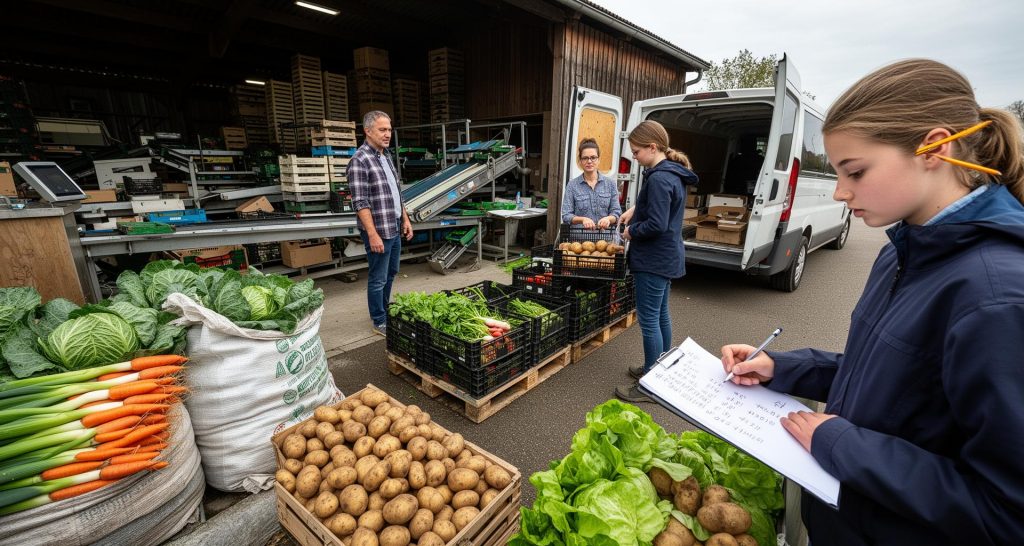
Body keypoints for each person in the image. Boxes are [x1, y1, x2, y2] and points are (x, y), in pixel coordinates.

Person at [720, 59, 1024, 545]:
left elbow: (1005, 513)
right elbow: (889, 376)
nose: (841, 193)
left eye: (856, 172)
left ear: (935, 148)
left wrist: (843, 446)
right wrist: (785, 368)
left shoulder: (997, 297)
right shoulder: (902, 250)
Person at [615, 120, 698, 403]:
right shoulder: (670, 173)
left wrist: (631, 231)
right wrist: (635, 209)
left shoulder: (660, 178)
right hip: (666, 257)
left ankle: (651, 384)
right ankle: (661, 370)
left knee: (649, 320)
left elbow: (657, 224)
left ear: (653, 147)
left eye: (636, 152)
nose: (635, 158)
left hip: (653, 259)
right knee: (661, 314)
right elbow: (661, 206)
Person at [348, 110, 413, 336]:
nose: (387, 134)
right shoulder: (360, 160)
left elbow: (396, 192)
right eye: (382, 130)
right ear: (368, 131)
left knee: (392, 271)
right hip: (379, 230)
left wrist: (405, 219)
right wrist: (372, 234)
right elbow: (360, 203)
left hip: (393, 225)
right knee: (378, 278)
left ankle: (384, 310)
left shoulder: (385, 157)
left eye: (389, 130)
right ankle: (379, 320)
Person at [560, 138, 622, 229]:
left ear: (598, 160)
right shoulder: (572, 185)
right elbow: (566, 215)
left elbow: (616, 212)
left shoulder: (610, 184)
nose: (589, 161)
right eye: (585, 158)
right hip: (579, 237)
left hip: (605, 236)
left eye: (593, 157)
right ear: (580, 161)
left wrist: (608, 219)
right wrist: (582, 220)